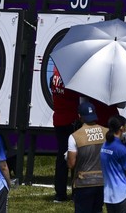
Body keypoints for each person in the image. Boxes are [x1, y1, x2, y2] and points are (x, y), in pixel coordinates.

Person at [67, 102, 108, 213]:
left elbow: (71, 164)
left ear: (79, 116)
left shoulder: (74, 136)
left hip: (83, 182)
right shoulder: (106, 132)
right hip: (102, 181)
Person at [51, 66, 80, 202]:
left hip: (59, 119)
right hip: (71, 121)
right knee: (74, 155)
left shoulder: (55, 73)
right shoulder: (70, 76)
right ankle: (76, 192)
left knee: (61, 156)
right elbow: (77, 96)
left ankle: (60, 193)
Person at [101, 116, 126, 213]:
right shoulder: (121, 149)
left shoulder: (104, 146)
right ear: (121, 128)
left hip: (109, 196)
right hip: (123, 195)